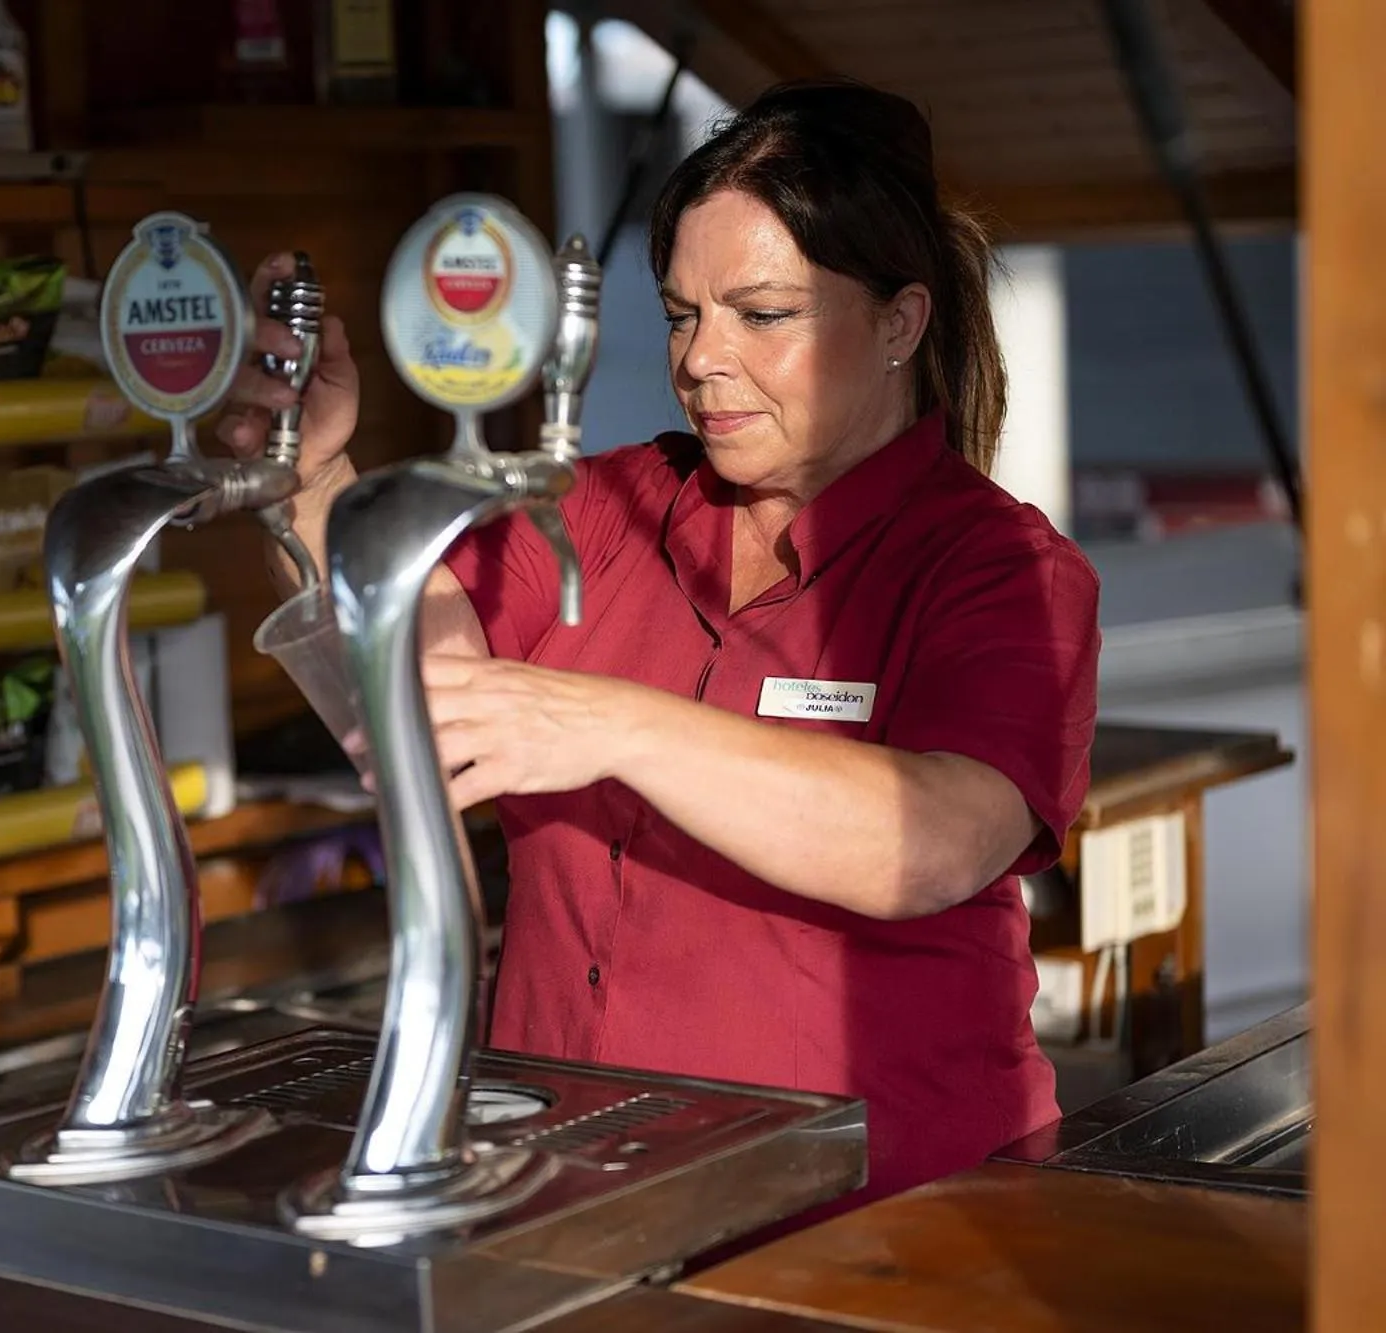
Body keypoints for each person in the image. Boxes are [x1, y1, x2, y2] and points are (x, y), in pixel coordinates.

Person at [218, 78, 1101, 1210]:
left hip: (887, 1215)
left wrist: (608, 723)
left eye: (761, 314)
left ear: (898, 322)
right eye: (683, 314)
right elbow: (409, 696)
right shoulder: (595, 507)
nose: (700, 359)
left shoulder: (996, 567)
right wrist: (309, 478)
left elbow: (926, 842)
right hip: (584, 1189)